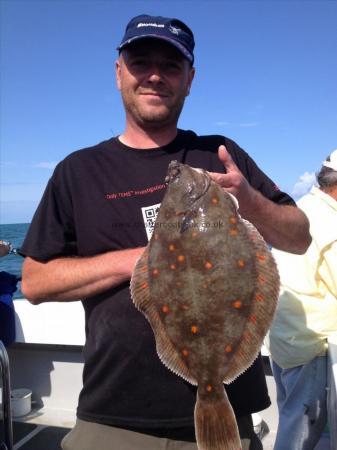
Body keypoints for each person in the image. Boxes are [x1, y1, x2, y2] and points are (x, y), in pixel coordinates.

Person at [20, 14, 311, 450]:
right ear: (119, 72)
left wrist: (250, 201)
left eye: (171, 66)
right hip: (113, 418)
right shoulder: (77, 172)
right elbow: (34, 282)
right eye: (141, 62)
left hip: (230, 411)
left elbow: (300, 238)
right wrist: (146, 259)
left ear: (190, 79)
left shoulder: (222, 154)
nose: (155, 75)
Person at [265, 149, 337, 450]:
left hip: (284, 341)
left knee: (292, 419)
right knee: (301, 437)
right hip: (311, 347)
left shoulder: (302, 208)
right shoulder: (330, 223)